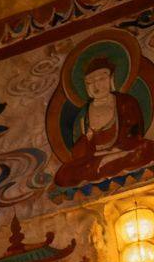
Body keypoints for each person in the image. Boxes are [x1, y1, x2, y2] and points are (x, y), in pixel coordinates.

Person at [53, 55, 154, 187]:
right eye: (89, 82)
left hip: (123, 152)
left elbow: (134, 133)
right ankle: (104, 168)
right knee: (64, 174)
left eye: (101, 79)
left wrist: (116, 151)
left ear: (111, 79)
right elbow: (78, 154)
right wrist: (87, 139)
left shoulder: (125, 102)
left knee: (148, 149)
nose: (96, 85)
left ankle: (104, 168)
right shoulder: (84, 113)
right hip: (95, 159)